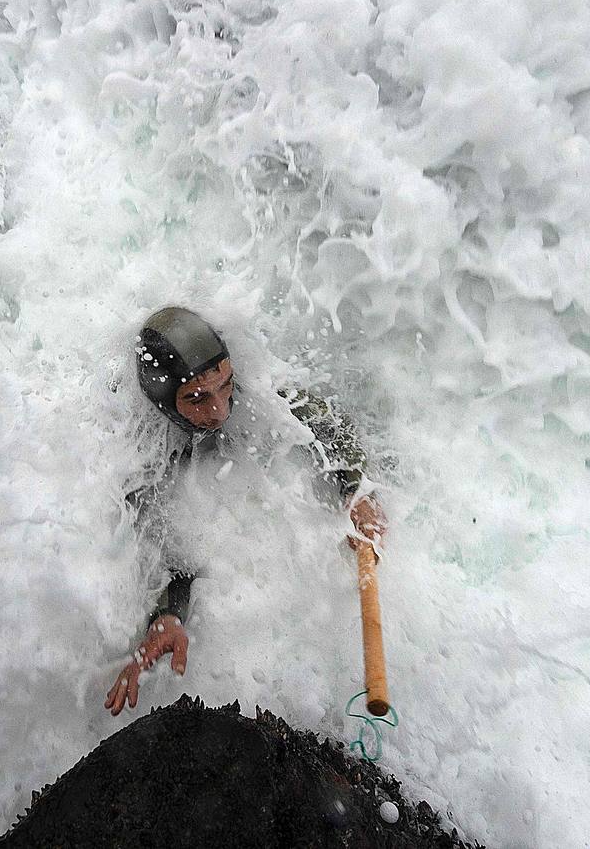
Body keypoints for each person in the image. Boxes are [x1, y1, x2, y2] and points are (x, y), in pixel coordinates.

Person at [104, 307, 386, 716]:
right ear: (165, 403)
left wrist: (358, 490)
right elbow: (168, 552)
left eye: (225, 386)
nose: (220, 410)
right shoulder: (145, 453)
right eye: (198, 398)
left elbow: (325, 424)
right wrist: (167, 615)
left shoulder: (254, 390)